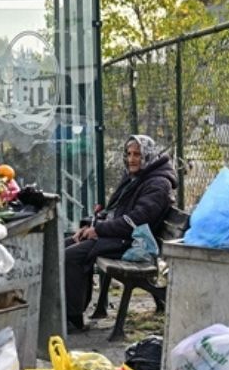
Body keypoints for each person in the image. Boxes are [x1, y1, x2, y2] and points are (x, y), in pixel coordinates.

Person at [65, 135, 176, 331]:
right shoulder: (136, 177)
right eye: (129, 154)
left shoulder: (158, 184)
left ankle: (73, 317)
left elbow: (136, 222)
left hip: (134, 244)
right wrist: (89, 226)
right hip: (120, 236)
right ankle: (65, 310)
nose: (131, 159)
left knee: (71, 256)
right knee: (65, 245)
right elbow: (115, 211)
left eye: (137, 154)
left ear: (148, 155)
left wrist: (98, 230)